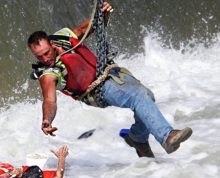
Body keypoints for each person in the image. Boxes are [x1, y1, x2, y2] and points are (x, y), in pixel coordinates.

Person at [27, 2, 192, 158]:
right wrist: (47, 120)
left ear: (50, 43)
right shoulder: (48, 74)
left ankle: (137, 138)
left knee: (147, 96)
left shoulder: (62, 37)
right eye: (39, 56)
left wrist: (102, 15)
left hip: (110, 73)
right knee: (138, 96)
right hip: (97, 91)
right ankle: (166, 137)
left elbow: (85, 29)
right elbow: (49, 100)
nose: (45, 58)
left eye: (47, 52)